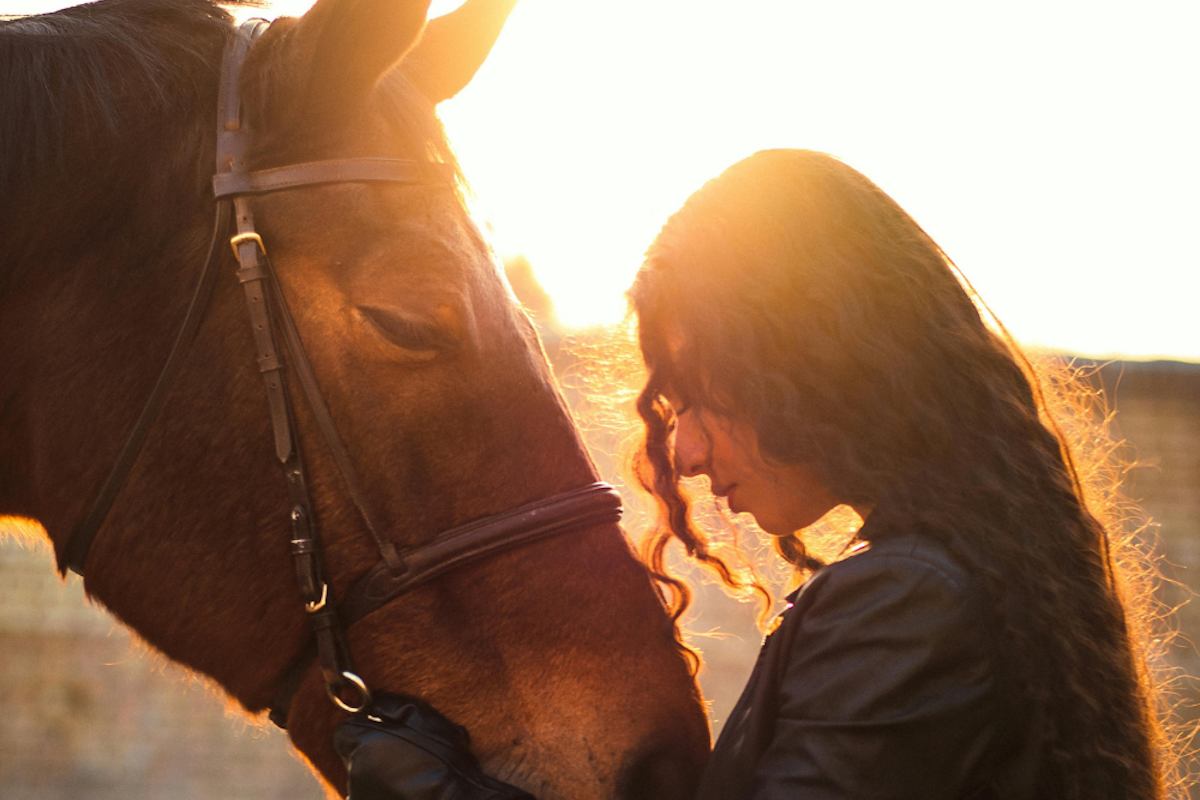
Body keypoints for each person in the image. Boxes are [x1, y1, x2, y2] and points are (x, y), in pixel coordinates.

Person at [335, 149, 1172, 798]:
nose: (686, 455)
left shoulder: (910, 602)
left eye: (700, 396)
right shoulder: (953, 577)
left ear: (812, 358)